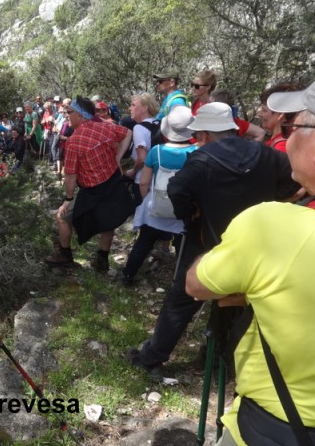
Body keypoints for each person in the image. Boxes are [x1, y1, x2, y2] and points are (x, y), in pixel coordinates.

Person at [126, 102, 299, 382]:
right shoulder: (265, 154)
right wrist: (271, 200)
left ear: (205, 134)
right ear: (231, 129)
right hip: (254, 245)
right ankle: (218, 361)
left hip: (206, 242)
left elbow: (177, 189)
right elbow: (293, 180)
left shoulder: (201, 161)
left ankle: (153, 357)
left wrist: (191, 214)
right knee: (234, 301)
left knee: (182, 298)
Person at [186, 85, 315, 446]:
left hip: (276, 423)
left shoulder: (271, 226)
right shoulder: (263, 155)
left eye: (293, 129)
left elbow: (196, 284)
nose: (285, 139)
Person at [44, 96, 133, 271]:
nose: (67, 115)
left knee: (62, 217)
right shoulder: (106, 128)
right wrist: (118, 157)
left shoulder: (74, 141)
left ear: (80, 115)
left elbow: (70, 176)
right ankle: (102, 259)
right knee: (109, 221)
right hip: (112, 183)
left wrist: (68, 198)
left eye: (70, 112)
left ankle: (65, 255)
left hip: (92, 190)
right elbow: (128, 133)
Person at [121, 106, 197, 285]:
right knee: (182, 245)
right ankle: (180, 282)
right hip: (182, 210)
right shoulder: (196, 153)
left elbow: (145, 181)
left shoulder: (157, 152)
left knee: (144, 241)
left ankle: (127, 275)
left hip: (156, 206)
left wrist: (147, 199)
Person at [125, 93, 160, 208]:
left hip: (142, 180)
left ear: (145, 108)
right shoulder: (158, 123)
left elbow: (142, 159)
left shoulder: (138, 128)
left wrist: (133, 171)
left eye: (133, 105)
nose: (130, 108)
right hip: (158, 178)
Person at [258, 82, 301, 151]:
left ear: (280, 114)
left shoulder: (281, 147)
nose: (259, 114)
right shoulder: (278, 140)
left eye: (264, 110)